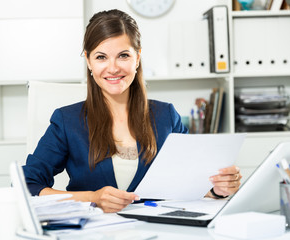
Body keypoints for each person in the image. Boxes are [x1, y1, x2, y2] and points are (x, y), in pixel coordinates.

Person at [23, 9, 242, 213]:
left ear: (137, 57)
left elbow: (188, 183)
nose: (113, 68)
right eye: (101, 57)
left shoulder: (166, 116)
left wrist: (217, 188)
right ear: (89, 61)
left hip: (155, 230)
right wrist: (92, 197)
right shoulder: (67, 121)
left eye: (123, 55)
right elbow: (27, 184)